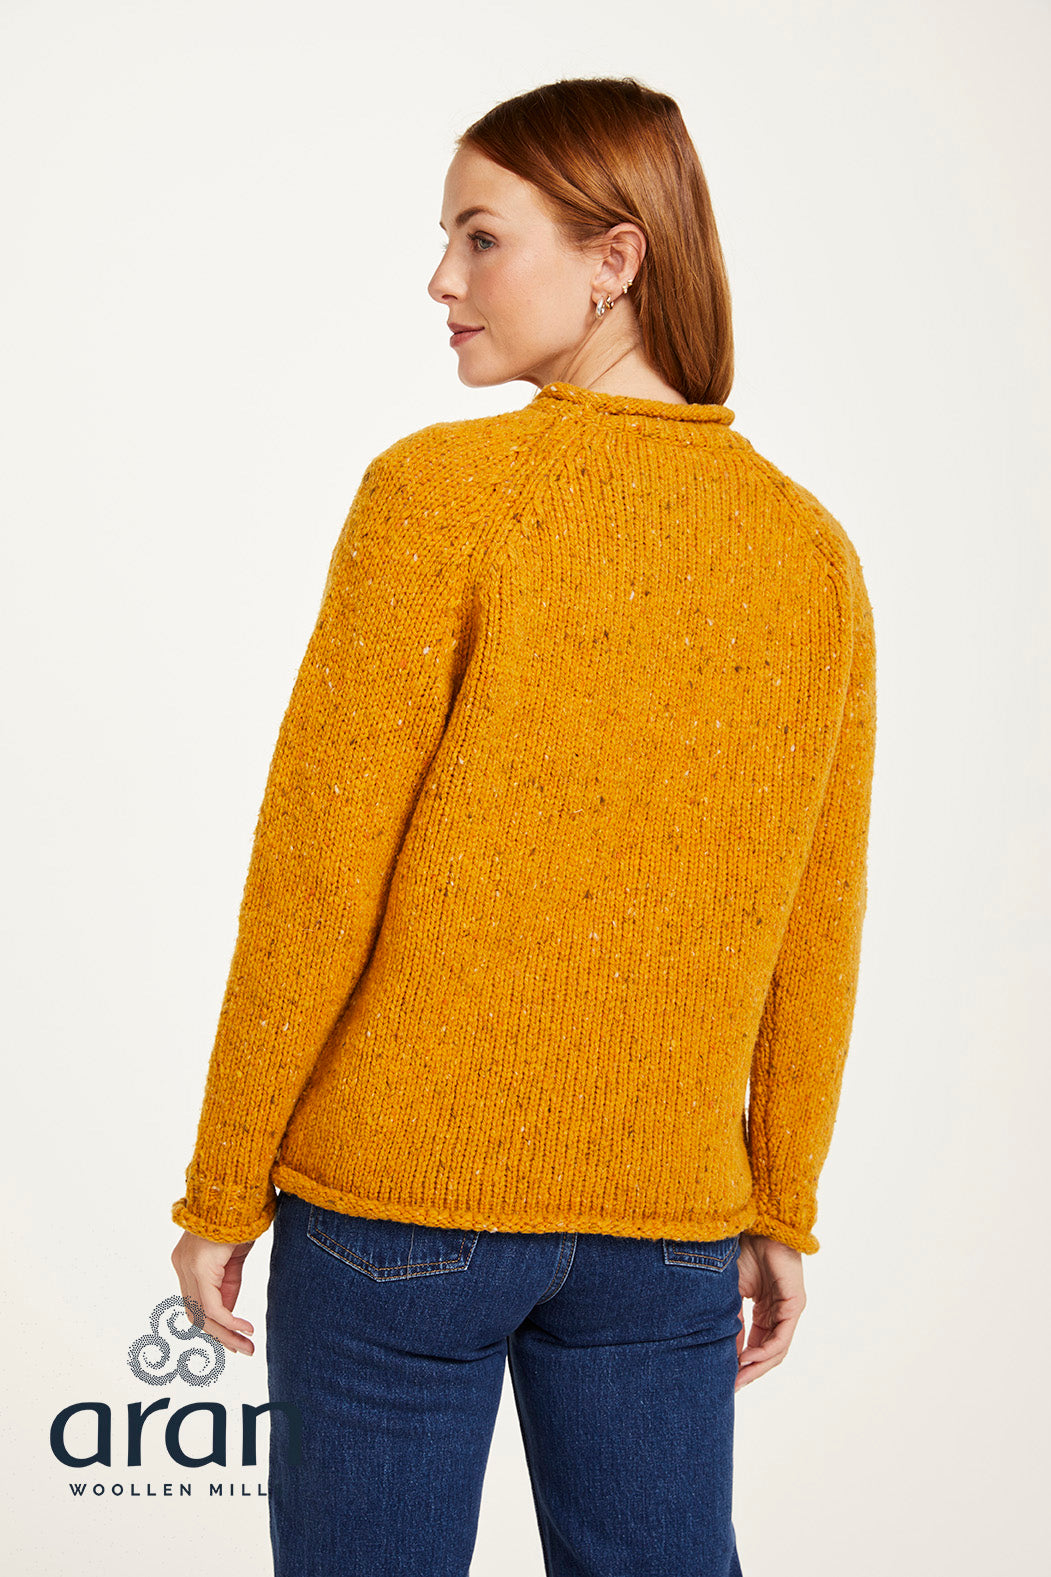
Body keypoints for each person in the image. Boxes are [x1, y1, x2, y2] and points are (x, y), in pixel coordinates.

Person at [171, 75, 877, 1577]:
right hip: (667, 1221)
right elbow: (817, 918)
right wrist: (781, 1198)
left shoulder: (438, 497)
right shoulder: (809, 552)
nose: (442, 279)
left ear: (617, 257)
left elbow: (317, 871)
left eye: (481, 238)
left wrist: (224, 1181)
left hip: (394, 1204)